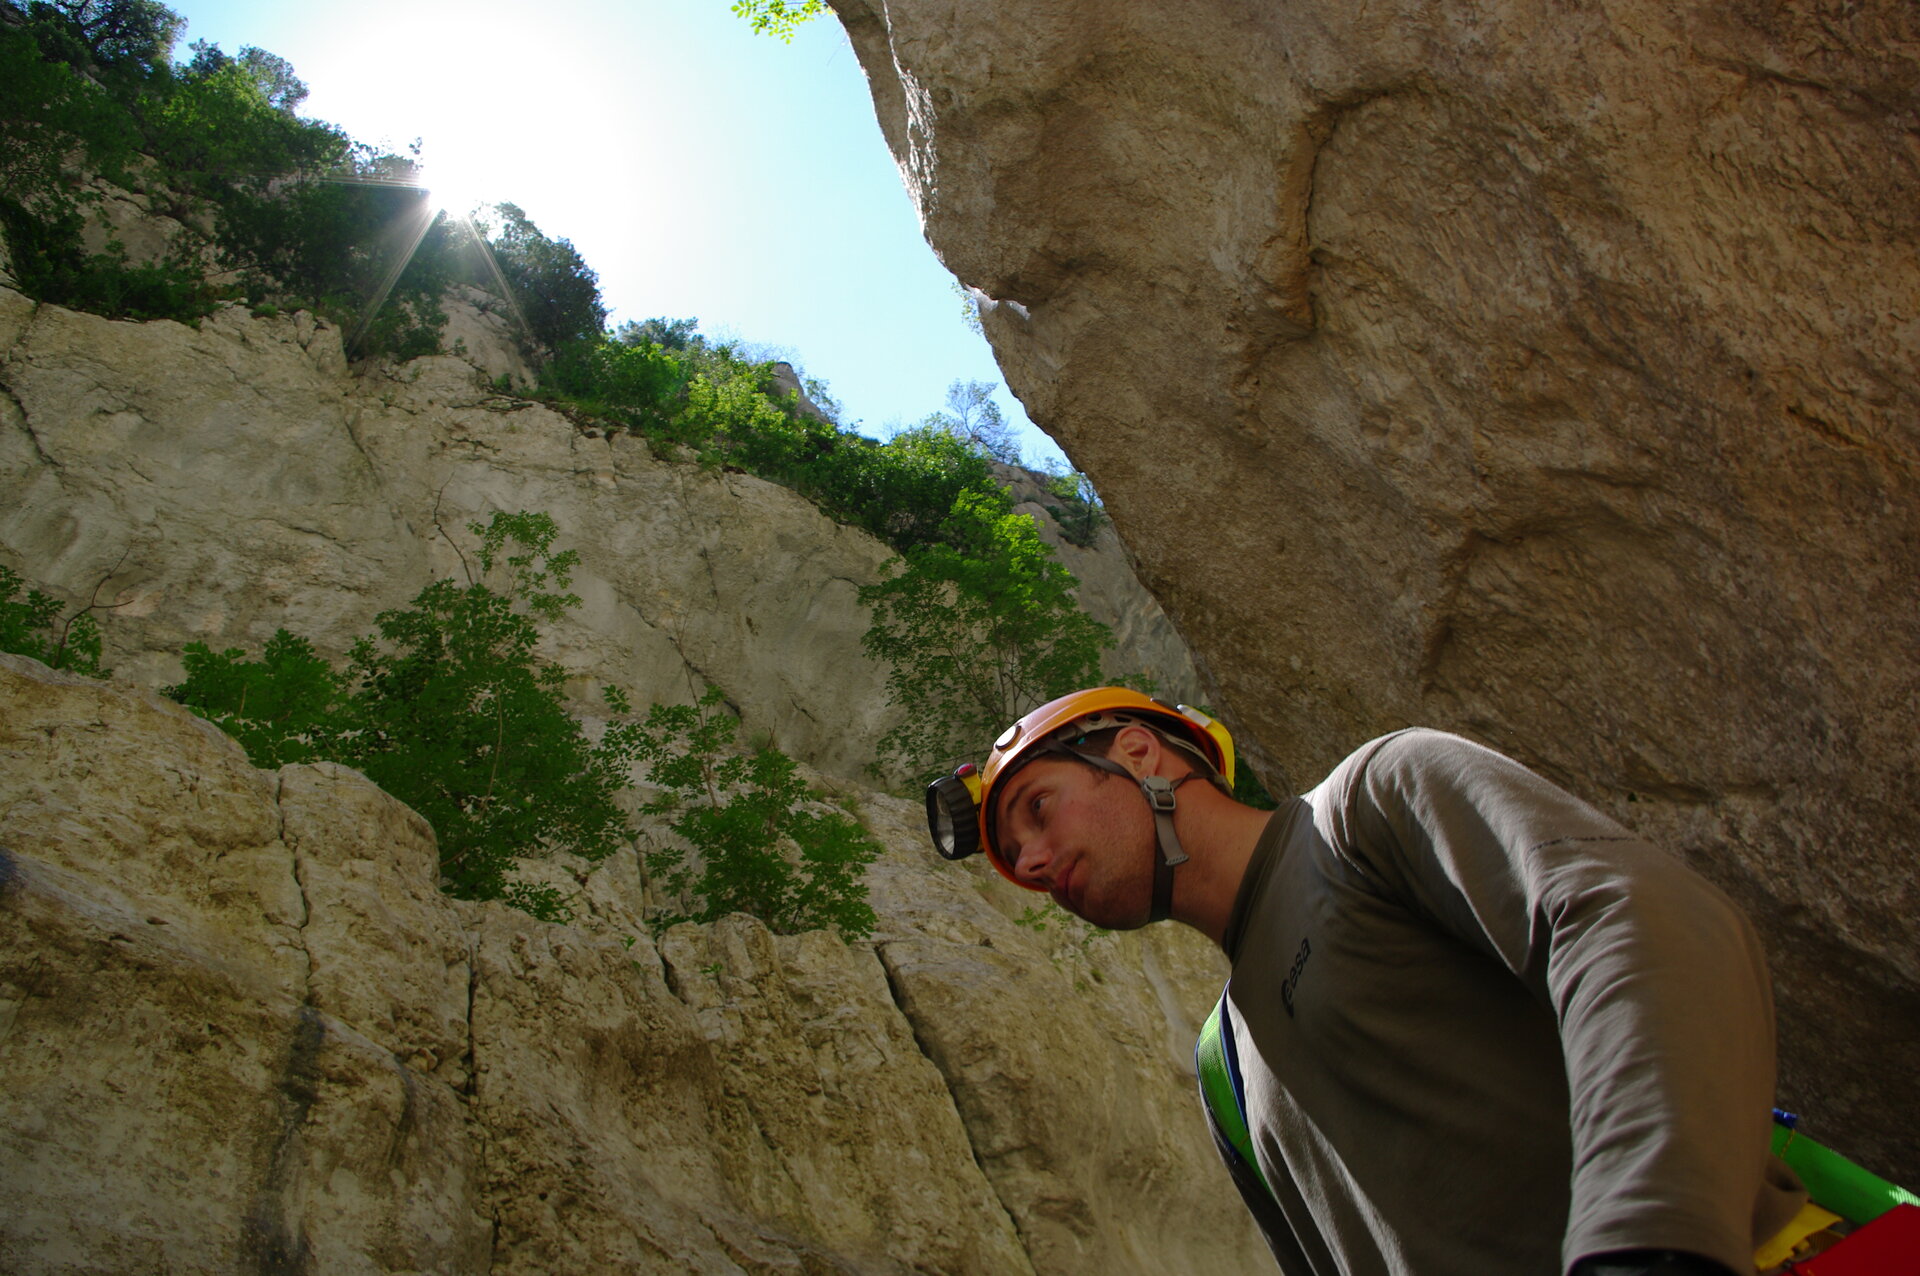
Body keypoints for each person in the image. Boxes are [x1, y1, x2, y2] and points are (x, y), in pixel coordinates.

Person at [923, 687, 1808, 1276]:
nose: (1032, 862)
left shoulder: (1369, 804)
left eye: (1037, 810)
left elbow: (1638, 921)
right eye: (1014, 858)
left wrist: (1647, 1243)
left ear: (1140, 752)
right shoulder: (1224, 1069)